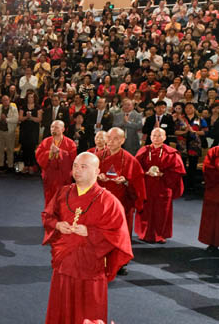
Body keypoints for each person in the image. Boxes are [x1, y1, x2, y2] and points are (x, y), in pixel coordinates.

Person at [42, 152, 133, 324]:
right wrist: (57, 225)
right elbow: (48, 216)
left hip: (90, 267)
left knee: (88, 312)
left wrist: (91, 232)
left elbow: (119, 234)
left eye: (84, 167)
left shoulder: (109, 201)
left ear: (97, 171)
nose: (77, 170)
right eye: (75, 165)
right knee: (60, 310)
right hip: (64, 264)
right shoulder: (63, 192)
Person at [96, 127, 146, 275]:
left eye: (116, 139)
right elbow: (83, 177)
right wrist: (97, 177)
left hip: (122, 204)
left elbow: (138, 184)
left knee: (120, 233)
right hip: (100, 204)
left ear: (123, 140)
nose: (111, 142)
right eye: (109, 138)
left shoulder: (130, 160)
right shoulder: (97, 157)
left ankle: (119, 263)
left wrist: (126, 181)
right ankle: (98, 260)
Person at [134, 128, 185, 243]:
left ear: (165, 137)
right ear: (150, 137)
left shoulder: (171, 153)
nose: (156, 138)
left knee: (161, 211)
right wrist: (145, 172)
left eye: (159, 136)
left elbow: (177, 172)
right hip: (146, 185)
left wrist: (163, 174)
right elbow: (135, 168)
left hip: (163, 186)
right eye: (154, 135)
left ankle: (159, 235)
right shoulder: (144, 151)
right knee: (145, 209)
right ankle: (144, 233)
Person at [36, 120, 78, 205]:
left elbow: (73, 159)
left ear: (63, 129)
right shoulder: (46, 141)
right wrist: (49, 153)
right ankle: (49, 215)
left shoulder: (70, 143)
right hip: (50, 174)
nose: (53, 129)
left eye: (56, 127)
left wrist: (60, 152)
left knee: (63, 198)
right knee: (49, 198)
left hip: (63, 175)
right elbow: (38, 154)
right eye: (52, 127)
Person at [199, 146, 219, 252]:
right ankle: (213, 243)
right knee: (213, 218)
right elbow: (207, 167)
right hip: (215, 187)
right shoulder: (215, 151)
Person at [0, 95, 19, 172]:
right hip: (0, 131)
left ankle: (10, 166)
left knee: (10, 150)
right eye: (4, 100)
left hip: (9, 131)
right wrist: (0, 118)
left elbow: (16, 119)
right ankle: (0, 165)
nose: (5, 102)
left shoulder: (14, 109)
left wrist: (6, 119)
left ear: (9, 100)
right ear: (2, 101)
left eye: (7, 100)